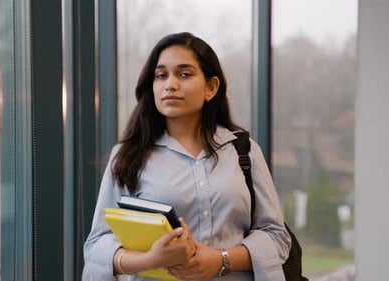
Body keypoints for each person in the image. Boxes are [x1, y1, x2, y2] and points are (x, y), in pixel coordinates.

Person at [82, 32, 290, 281]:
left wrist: (219, 259)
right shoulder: (128, 156)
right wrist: (151, 260)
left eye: (184, 74)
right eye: (161, 75)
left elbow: (276, 237)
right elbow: (97, 246)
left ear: (211, 88)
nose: (170, 84)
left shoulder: (243, 150)